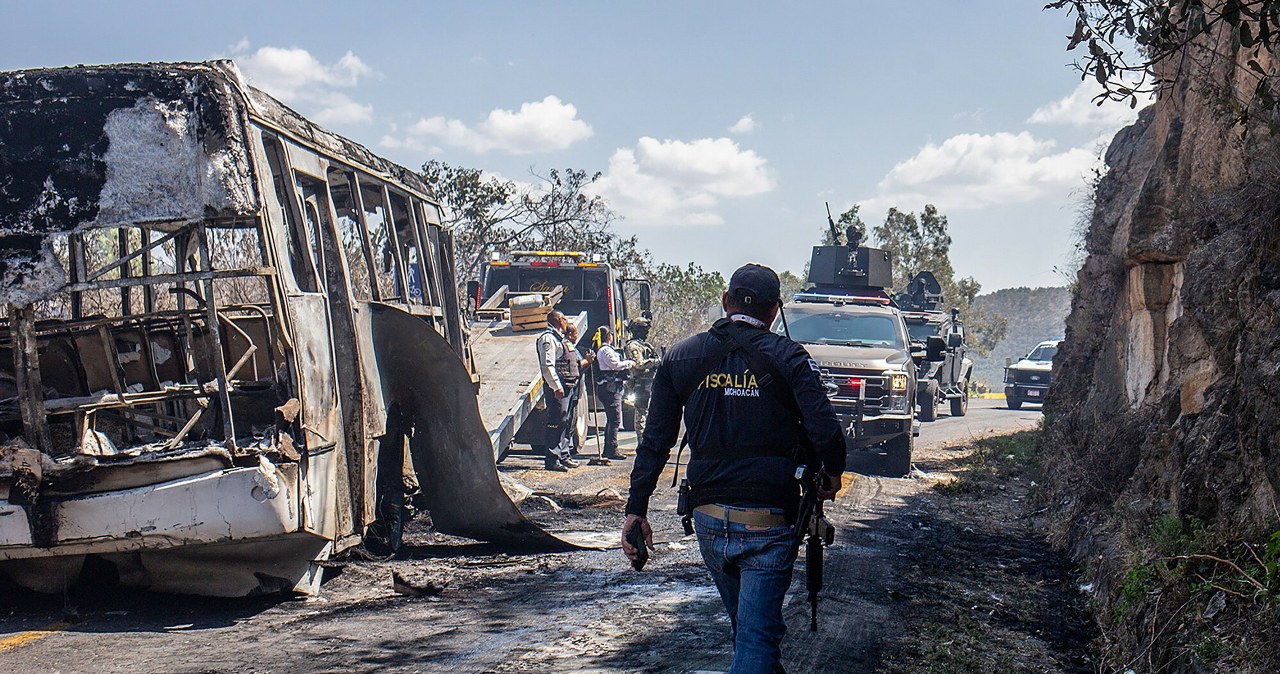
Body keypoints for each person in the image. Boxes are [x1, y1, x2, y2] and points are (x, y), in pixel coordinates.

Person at [622, 263, 845, 674]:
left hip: (707, 520)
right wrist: (831, 477)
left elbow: (655, 442)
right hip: (768, 522)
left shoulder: (680, 356)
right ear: (775, 311)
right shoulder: (791, 358)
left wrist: (636, 509)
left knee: (749, 634)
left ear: (726, 302)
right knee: (756, 641)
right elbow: (828, 434)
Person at [537, 310, 580, 472]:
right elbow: (547, 366)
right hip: (558, 388)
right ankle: (552, 459)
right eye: (564, 318)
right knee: (555, 422)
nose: (566, 321)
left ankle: (563, 455)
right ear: (557, 320)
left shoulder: (560, 339)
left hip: (568, 386)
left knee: (564, 421)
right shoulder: (548, 339)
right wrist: (556, 386)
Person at [593, 326, 635, 460]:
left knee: (612, 420)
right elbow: (615, 365)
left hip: (611, 387)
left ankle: (609, 448)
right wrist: (629, 363)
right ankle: (612, 449)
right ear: (608, 336)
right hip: (610, 388)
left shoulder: (605, 350)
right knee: (615, 420)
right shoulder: (605, 350)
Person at [623, 317, 662, 439]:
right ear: (638, 330)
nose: (647, 333)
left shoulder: (644, 345)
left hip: (650, 383)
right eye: (645, 330)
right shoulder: (633, 346)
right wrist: (656, 362)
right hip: (640, 384)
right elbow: (639, 364)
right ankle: (643, 441)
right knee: (641, 415)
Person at [564, 323, 595, 458]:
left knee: (570, 422)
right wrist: (587, 361)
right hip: (571, 390)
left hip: (575, 391)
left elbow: (581, 369)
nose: (577, 336)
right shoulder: (567, 347)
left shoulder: (574, 348)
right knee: (567, 423)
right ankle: (563, 454)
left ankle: (565, 453)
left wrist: (589, 362)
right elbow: (575, 367)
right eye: (576, 334)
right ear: (570, 335)